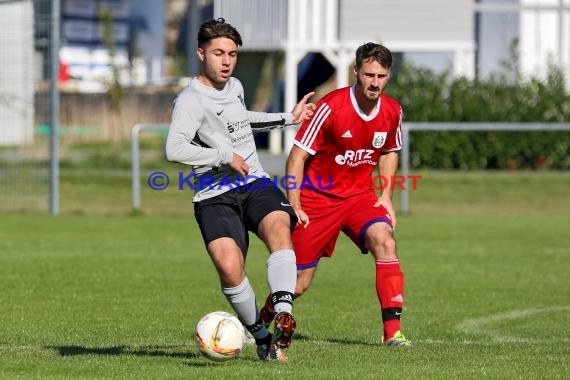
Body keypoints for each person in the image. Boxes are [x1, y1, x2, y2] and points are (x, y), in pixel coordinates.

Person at [165, 18, 316, 361]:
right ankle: (263, 339)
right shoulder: (189, 101)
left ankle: (282, 309)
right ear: (201, 54)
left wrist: (287, 118)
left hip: (253, 182)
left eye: (232, 53)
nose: (227, 60)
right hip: (213, 195)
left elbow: (241, 118)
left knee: (279, 224)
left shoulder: (233, 86)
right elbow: (173, 149)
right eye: (219, 53)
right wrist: (223, 155)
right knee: (230, 268)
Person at [260, 42, 412, 347]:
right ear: (356, 71)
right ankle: (260, 321)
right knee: (299, 283)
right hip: (318, 199)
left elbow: (390, 151)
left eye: (381, 76)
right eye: (369, 74)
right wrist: (295, 202)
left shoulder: (392, 111)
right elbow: (296, 157)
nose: (375, 82)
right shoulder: (331, 108)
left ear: (388, 75)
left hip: (359, 197)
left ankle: (392, 333)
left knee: (386, 241)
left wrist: (386, 196)